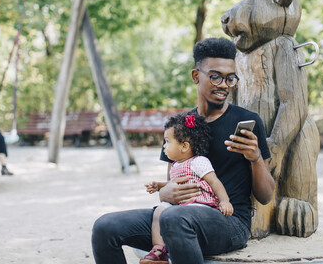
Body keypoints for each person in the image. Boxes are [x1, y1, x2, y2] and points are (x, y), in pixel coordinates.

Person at [91, 37, 276, 264]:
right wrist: (165, 192)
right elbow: (173, 182)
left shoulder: (248, 120)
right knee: (104, 227)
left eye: (230, 78)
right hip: (178, 215)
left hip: (229, 221)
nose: (224, 85)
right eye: (216, 76)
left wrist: (255, 157)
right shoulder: (180, 126)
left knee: (174, 218)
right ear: (196, 76)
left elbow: (266, 196)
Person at [141, 112, 233, 264]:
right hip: (179, 205)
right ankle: (159, 250)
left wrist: (224, 201)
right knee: (159, 211)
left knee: (176, 216)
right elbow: (173, 183)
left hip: (199, 204)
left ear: (184, 146)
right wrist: (159, 186)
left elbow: (215, 182)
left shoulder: (199, 162)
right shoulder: (176, 165)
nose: (164, 146)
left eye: (167, 141)